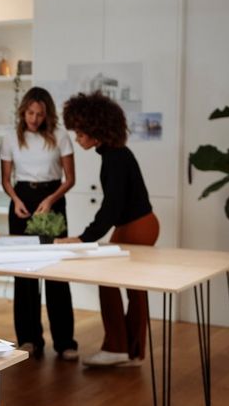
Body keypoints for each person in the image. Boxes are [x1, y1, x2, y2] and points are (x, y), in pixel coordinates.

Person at [57, 92, 159, 367]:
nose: (77, 138)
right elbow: (114, 209)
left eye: (79, 132)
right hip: (139, 224)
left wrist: (82, 238)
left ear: (95, 130)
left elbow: (111, 208)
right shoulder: (116, 154)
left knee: (112, 280)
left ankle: (118, 348)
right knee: (132, 288)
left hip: (136, 226)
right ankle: (131, 351)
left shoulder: (114, 159)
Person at [0, 87, 78, 360]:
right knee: (24, 273)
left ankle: (66, 342)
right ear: (23, 112)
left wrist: (51, 200)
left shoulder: (60, 136)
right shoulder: (11, 138)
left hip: (52, 200)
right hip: (22, 201)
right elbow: (6, 180)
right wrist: (15, 199)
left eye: (39, 114)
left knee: (55, 273)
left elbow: (70, 178)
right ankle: (28, 339)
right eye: (30, 113)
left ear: (47, 114)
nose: (34, 118)